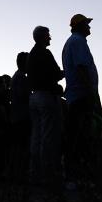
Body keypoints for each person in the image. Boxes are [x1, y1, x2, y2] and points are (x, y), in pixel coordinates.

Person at [61, 13, 100, 183]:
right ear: (79, 26)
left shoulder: (74, 41)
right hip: (81, 95)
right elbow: (82, 68)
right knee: (81, 137)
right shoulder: (77, 42)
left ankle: (76, 175)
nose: (89, 27)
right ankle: (76, 177)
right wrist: (91, 92)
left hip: (78, 95)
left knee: (77, 136)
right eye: (86, 24)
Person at [27, 25, 65, 189]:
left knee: (36, 136)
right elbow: (56, 74)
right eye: (48, 35)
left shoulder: (31, 55)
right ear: (43, 37)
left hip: (34, 97)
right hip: (45, 97)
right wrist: (66, 72)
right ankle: (46, 175)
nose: (50, 38)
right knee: (47, 137)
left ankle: (34, 174)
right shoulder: (45, 53)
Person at [8, 52, 31, 181]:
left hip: (17, 116)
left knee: (17, 146)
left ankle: (15, 173)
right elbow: (24, 95)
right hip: (21, 117)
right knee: (21, 146)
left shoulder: (17, 76)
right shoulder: (21, 77)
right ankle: (19, 174)